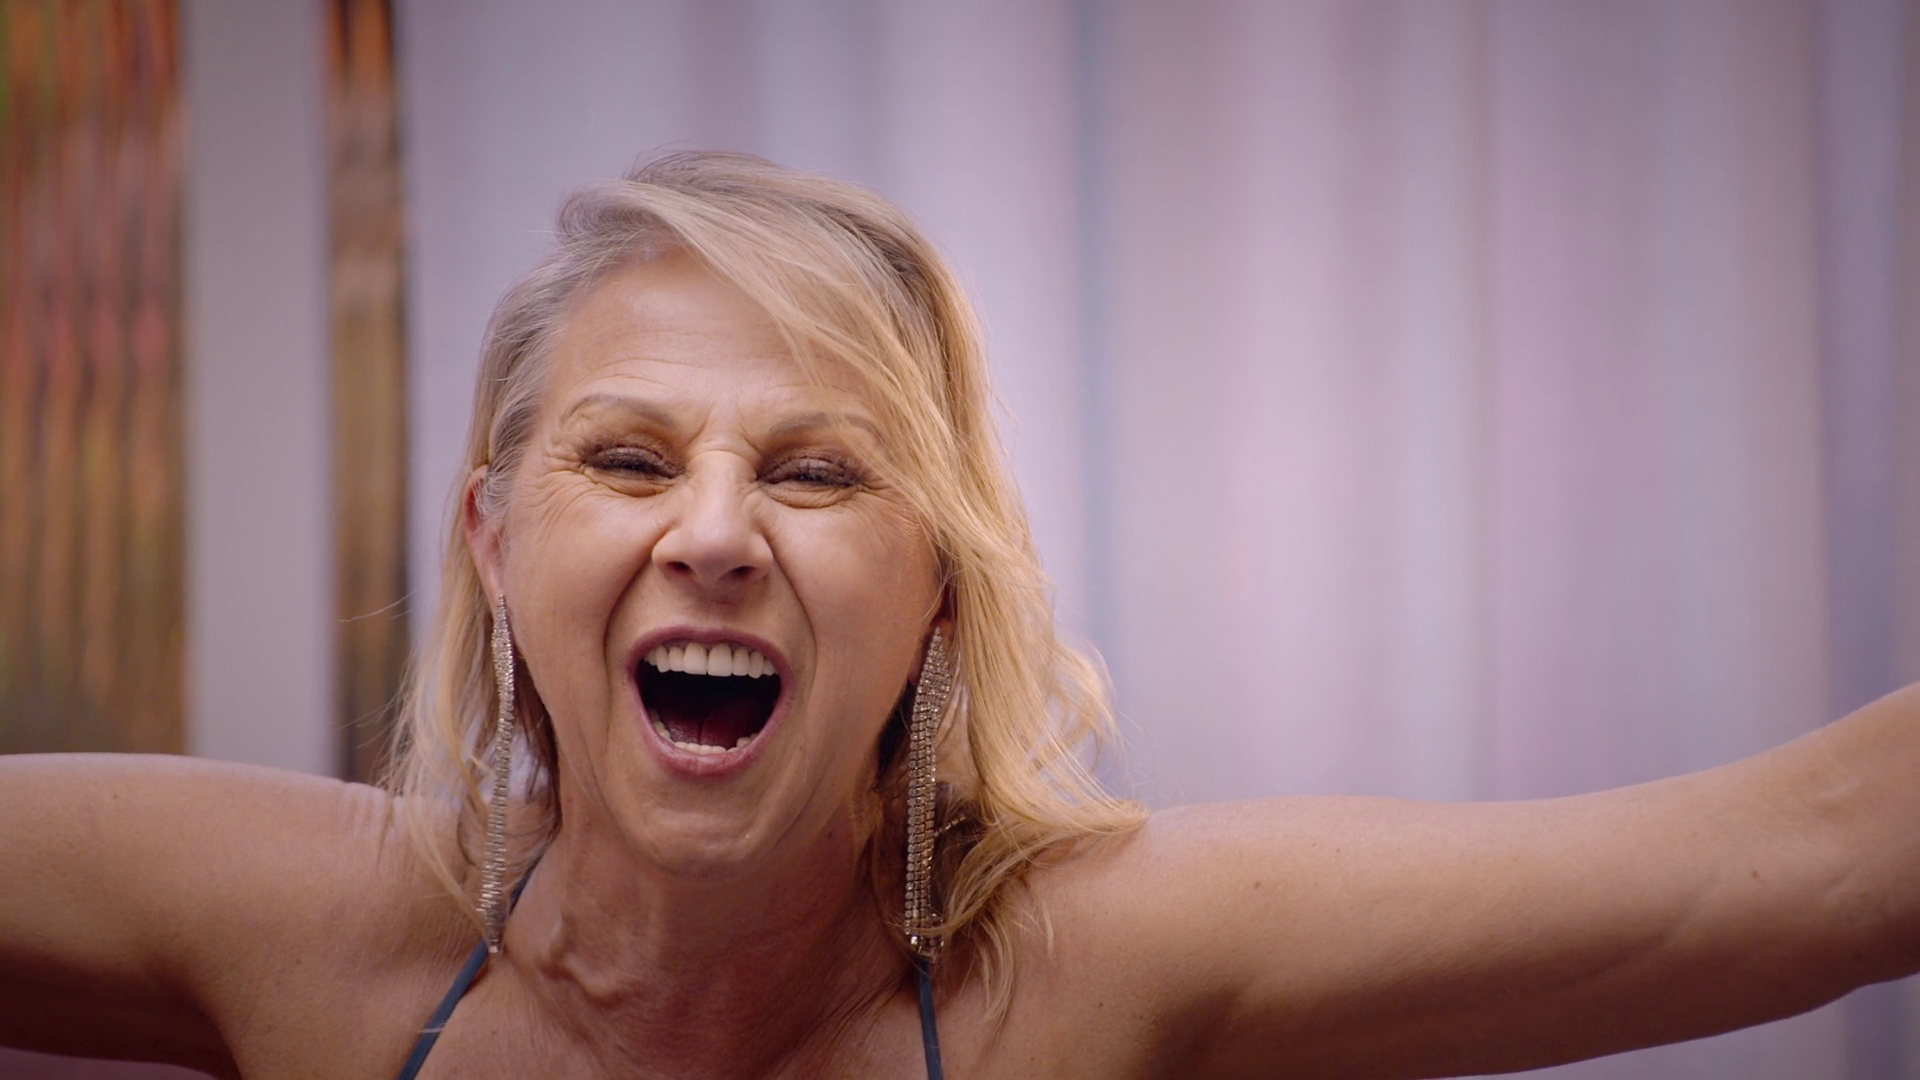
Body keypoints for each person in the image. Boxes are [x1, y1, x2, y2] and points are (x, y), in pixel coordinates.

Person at [3, 150, 1917, 1080]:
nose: (716, 534)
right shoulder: (314, 925)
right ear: (496, 547)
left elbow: (1816, 858)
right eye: (630, 458)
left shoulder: (1083, 968)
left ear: (934, 591)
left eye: (819, 473)